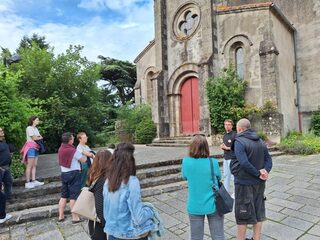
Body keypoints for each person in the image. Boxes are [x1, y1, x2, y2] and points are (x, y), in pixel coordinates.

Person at [103, 143, 156, 240]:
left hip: (113, 233)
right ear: (130, 160)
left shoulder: (108, 181)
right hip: (130, 234)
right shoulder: (132, 182)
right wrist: (150, 211)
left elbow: (106, 213)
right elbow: (138, 218)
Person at [233, 118, 272, 240]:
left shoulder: (239, 141)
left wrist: (257, 173)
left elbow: (244, 162)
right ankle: (256, 238)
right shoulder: (260, 141)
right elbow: (269, 160)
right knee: (258, 210)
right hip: (259, 184)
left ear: (239, 129)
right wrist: (265, 171)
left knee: (242, 213)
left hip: (244, 183)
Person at [182, 135, 225, 240]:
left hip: (195, 204)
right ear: (206, 147)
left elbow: (184, 177)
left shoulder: (186, 162)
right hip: (213, 203)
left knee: (196, 237)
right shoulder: (213, 162)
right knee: (218, 235)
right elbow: (218, 176)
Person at [58, 132, 86, 223]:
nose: (73, 138)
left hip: (64, 174)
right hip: (73, 174)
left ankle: (61, 216)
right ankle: (75, 217)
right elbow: (83, 160)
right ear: (70, 140)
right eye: (72, 138)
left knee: (63, 196)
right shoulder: (72, 150)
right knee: (73, 197)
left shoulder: (61, 148)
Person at [87, 150, 112, 240]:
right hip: (100, 221)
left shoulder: (93, 174)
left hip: (94, 219)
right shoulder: (103, 179)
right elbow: (100, 206)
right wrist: (108, 226)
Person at [22, 116, 44, 189]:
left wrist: (38, 137)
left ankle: (34, 180)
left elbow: (40, 137)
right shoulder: (29, 128)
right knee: (29, 165)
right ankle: (28, 182)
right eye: (37, 120)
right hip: (31, 148)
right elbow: (35, 138)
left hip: (36, 147)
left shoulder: (36, 128)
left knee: (34, 165)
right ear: (33, 121)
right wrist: (39, 137)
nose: (38, 121)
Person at [220, 119, 237, 196]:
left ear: (232, 126)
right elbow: (225, 145)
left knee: (233, 176)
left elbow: (237, 147)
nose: (227, 126)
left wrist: (227, 148)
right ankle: (226, 192)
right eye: (225, 124)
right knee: (226, 176)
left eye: (228, 124)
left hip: (232, 158)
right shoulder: (224, 135)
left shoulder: (234, 134)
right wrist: (222, 146)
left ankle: (235, 192)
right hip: (225, 158)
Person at [0, 128, 13, 200]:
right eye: (0, 131)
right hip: (1, 167)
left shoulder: (3, 142)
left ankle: (8, 199)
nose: (2, 132)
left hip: (6, 166)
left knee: (8, 182)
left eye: (2, 130)